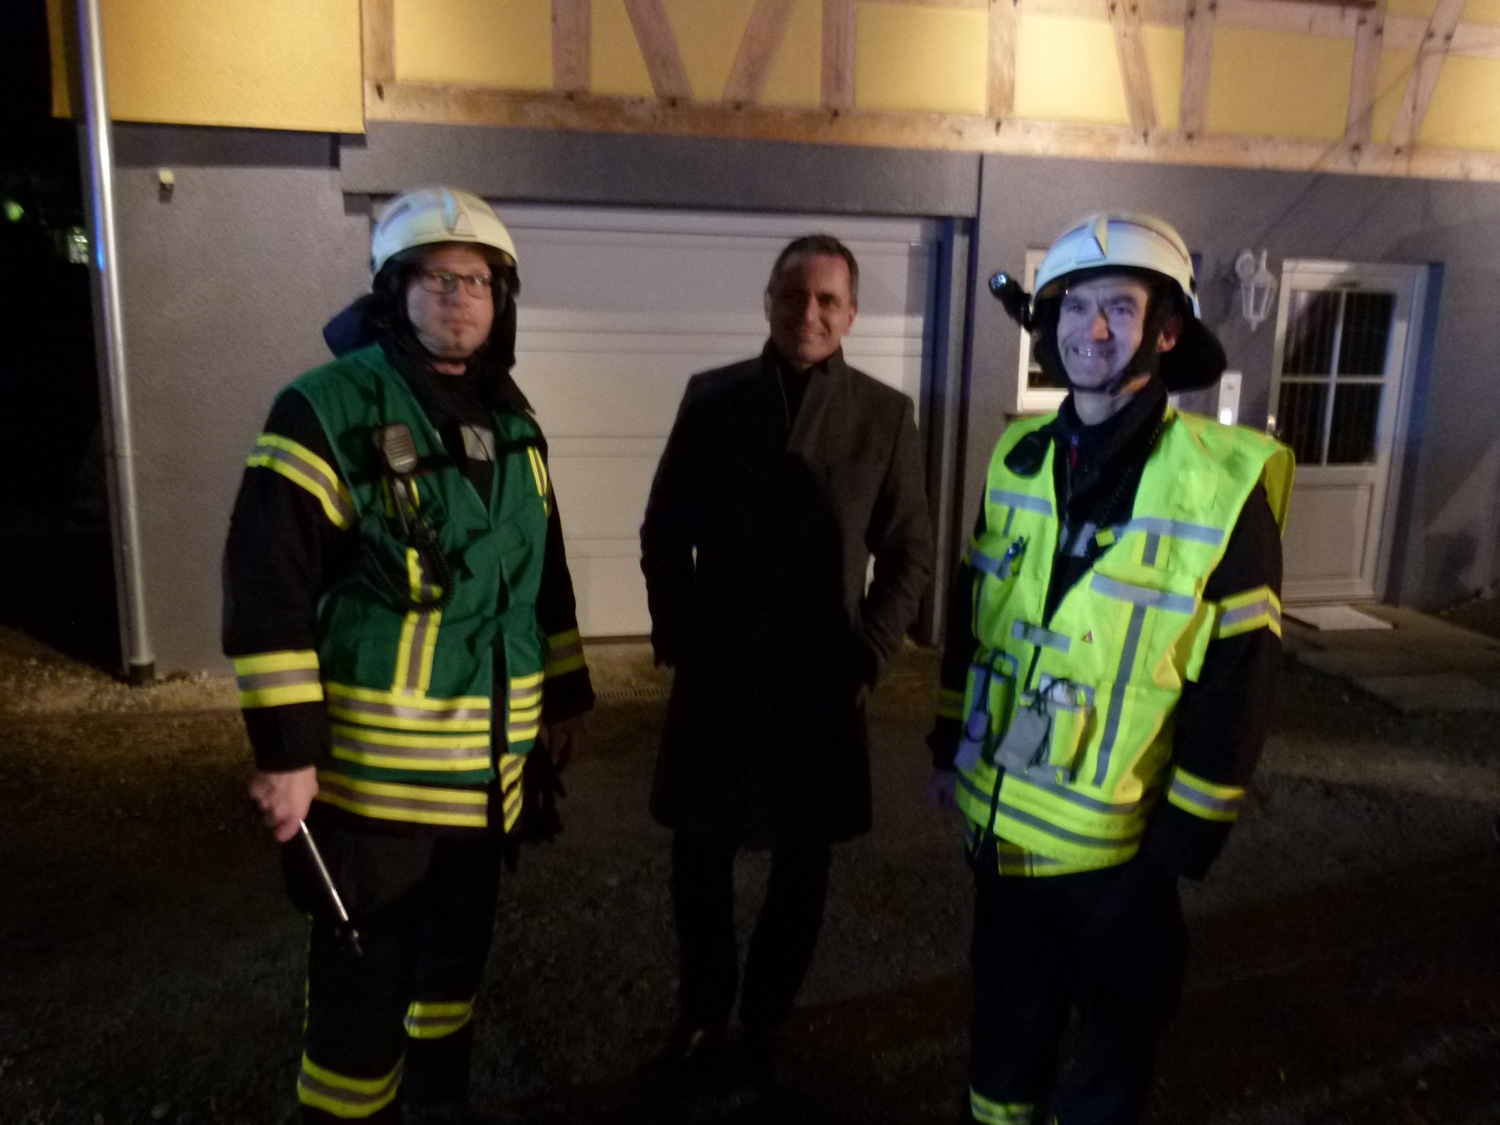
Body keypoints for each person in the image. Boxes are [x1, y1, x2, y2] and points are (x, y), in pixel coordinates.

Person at [224, 186, 594, 1124]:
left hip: (486, 781)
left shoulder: (512, 417)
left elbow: (540, 570)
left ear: (501, 300)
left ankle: (437, 1104)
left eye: (478, 280)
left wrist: (565, 694)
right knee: (363, 995)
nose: (459, 297)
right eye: (436, 277)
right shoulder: (325, 407)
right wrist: (287, 754)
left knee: (450, 976)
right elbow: (267, 589)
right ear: (393, 290)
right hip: (374, 789)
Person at [930, 213, 1293, 1125]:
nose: (1090, 329)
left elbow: (1239, 683)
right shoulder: (1018, 457)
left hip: (1122, 860)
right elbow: (976, 619)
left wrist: (1174, 850)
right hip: (1003, 837)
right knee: (1001, 1053)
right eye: (1073, 306)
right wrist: (945, 743)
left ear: (1167, 330)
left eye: (1119, 309)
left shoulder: (1223, 486)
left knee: (1108, 1068)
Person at [640, 234, 935, 1088]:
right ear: (767, 301)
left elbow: (910, 550)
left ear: (852, 313)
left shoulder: (884, 415)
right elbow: (665, 529)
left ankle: (766, 1018)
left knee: (803, 864)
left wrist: (867, 653)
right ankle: (703, 1013)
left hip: (820, 682)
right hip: (720, 676)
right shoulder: (714, 398)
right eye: (793, 295)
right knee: (698, 855)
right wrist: (680, 633)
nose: (809, 313)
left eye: (828, 300)